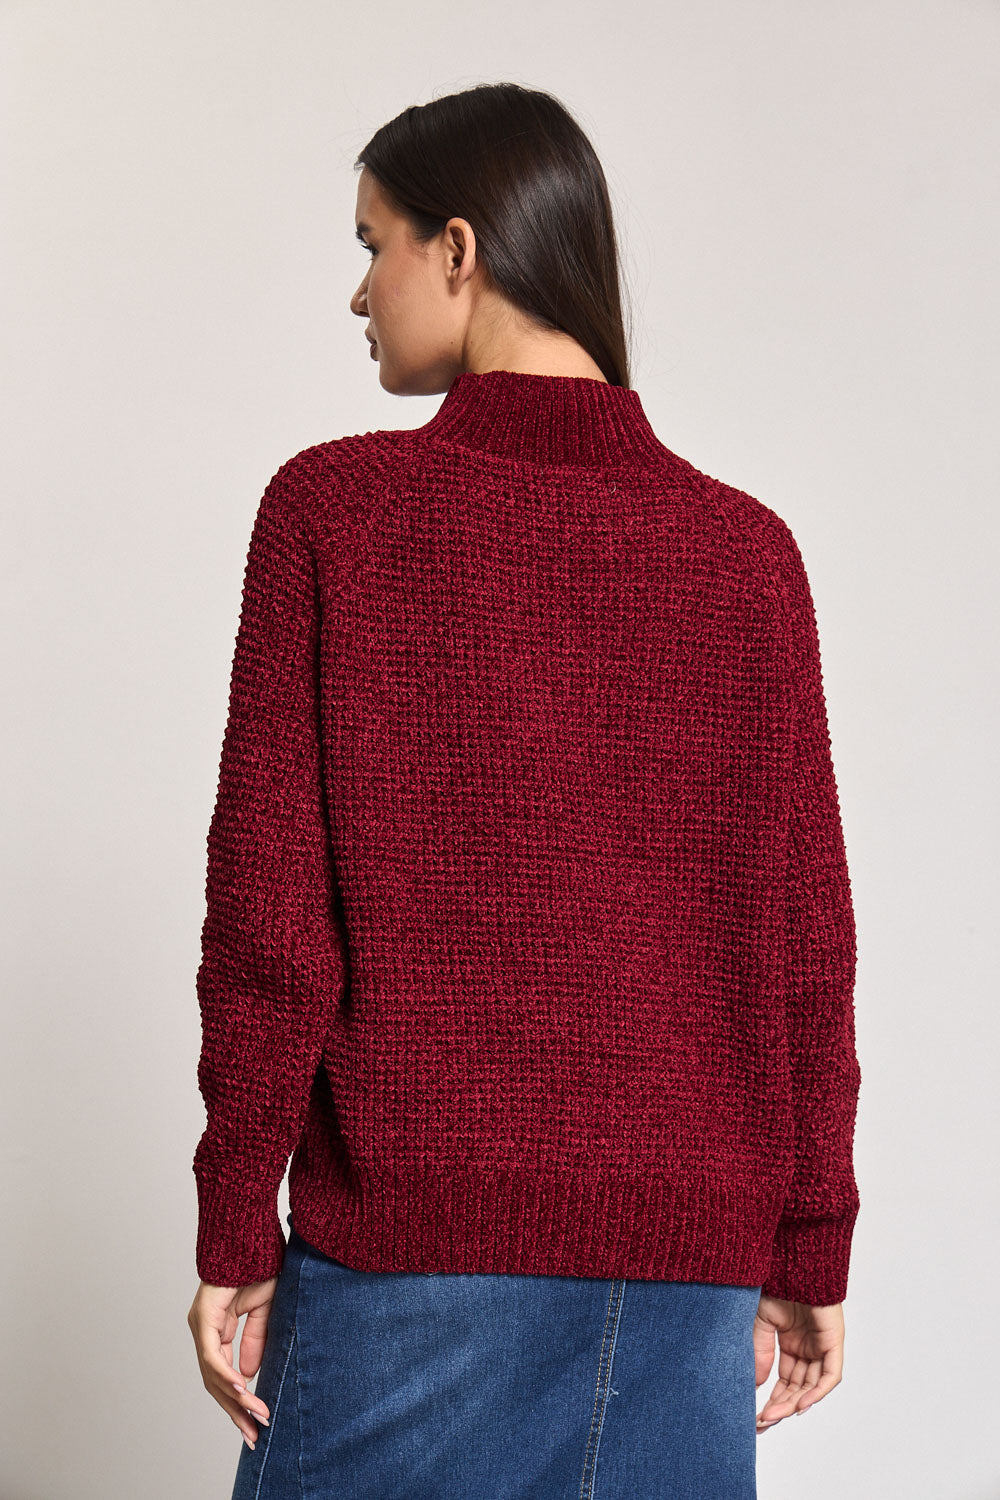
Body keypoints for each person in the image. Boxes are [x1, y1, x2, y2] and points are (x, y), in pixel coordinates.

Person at [186, 82, 862, 1499]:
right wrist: (810, 1245)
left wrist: (235, 1216)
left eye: (371, 244)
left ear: (459, 248)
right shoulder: (747, 557)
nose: (357, 293)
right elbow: (804, 949)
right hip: (687, 1289)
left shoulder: (332, 513)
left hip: (414, 1270)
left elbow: (271, 930)